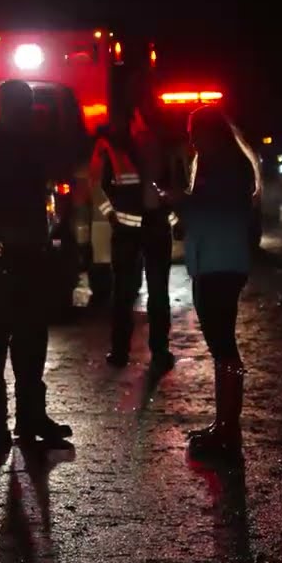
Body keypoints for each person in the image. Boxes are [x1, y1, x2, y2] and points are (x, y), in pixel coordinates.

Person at [0, 80, 73, 462]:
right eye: (21, 105)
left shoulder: (32, 145)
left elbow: (48, 196)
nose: (24, 111)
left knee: (30, 346)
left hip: (30, 258)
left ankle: (30, 420)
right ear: (2, 107)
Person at [176, 105, 262, 456]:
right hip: (215, 261)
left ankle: (228, 429)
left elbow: (212, 209)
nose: (192, 139)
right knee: (220, 344)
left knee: (223, 344)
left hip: (220, 263)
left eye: (196, 131)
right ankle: (224, 424)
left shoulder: (226, 166)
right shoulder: (224, 164)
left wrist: (180, 202)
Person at [90, 85, 179, 373]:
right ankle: (124, 350)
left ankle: (153, 351)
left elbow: (175, 186)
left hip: (149, 228)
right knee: (129, 292)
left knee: (150, 292)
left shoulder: (162, 143)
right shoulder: (112, 145)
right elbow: (96, 187)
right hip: (134, 230)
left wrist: (174, 220)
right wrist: (112, 218)